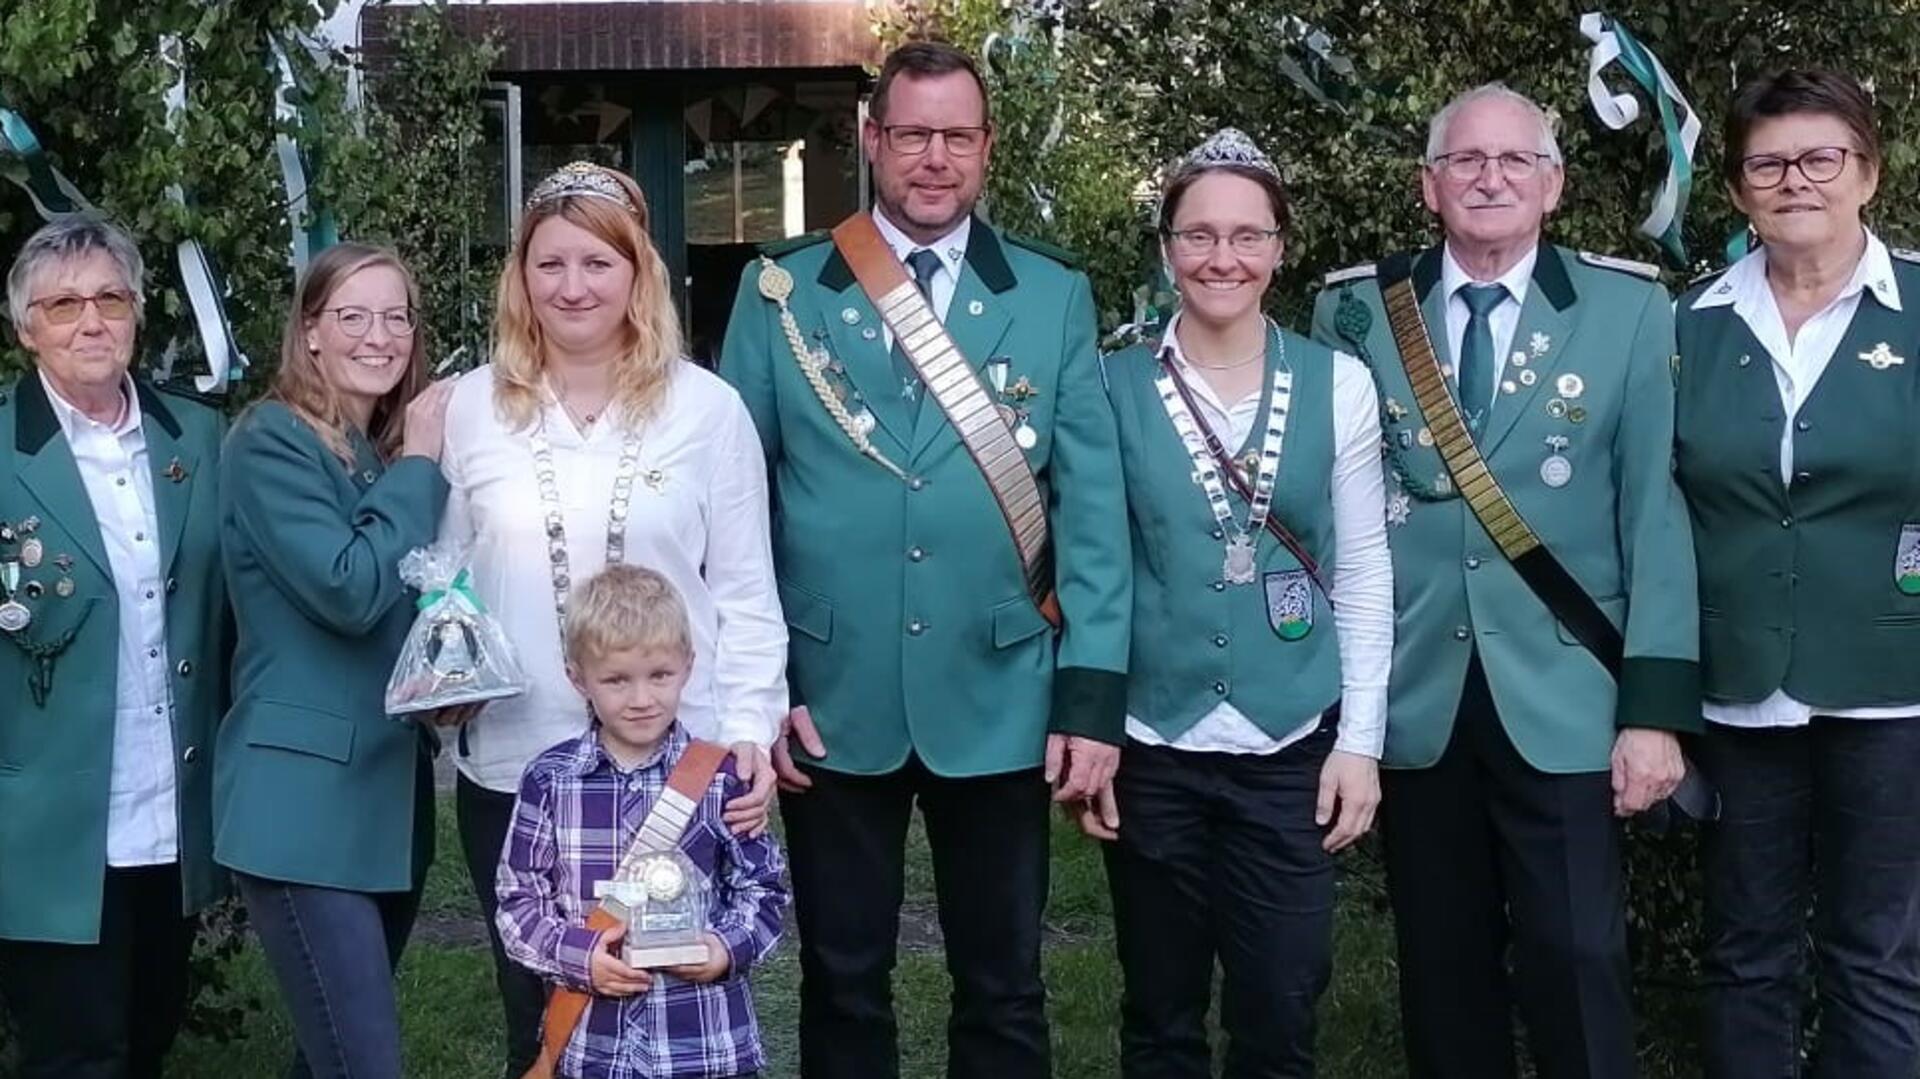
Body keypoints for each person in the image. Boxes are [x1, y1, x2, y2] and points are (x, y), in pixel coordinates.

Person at [719, 39, 1131, 1079]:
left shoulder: (1050, 294)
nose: (934, 158)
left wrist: (1087, 699)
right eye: (912, 134)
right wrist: (754, 688)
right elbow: (730, 507)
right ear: (873, 140)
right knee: (842, 974)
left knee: (1003, 981)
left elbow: (1091, 512)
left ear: (987, 147)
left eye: (957, 136)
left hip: (998, 687)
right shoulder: (783, 290)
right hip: (830, 685)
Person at [1310, 82, 1700, 1079]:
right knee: (1443, 968)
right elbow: (1327, 510)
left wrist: (1653, 709)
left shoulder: (1626, 309)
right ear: (1428, 187)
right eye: (1466, 162)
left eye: (1514, 160)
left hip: (1568, 691)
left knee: (1578, 955)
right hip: (1415, 692)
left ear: (1553, 185)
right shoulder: (1354, 310)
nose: (1490, 178)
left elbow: (1655, 516)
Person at [438, 160, 786, 1076]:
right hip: (521, 762)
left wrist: (749, 727)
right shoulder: (472, 406)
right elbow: (446, 590)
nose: (572, 286)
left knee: (677, 1003)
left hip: (679, 762)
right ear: (520, 278)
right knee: (548, 1013)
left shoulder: (708, 409)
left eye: (597, 262)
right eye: (548, 265)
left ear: (638, 273)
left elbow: (747, 589)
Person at [1095, 128, 1391, 1077]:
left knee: (1279, 1005)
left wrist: (1360, 740)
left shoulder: (1338, 382)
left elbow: (1364, 568)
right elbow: (1094, 567)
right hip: (1155, 736)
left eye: (1247, 235)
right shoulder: (1113, 383)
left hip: (1287, 739)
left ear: (1280, 246)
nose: (1223, 257)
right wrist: (1091, 721)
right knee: (1160, 1008)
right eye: (1199, 234)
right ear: (1167, 245)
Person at [1674, 69, 1920, 1079]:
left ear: (1867, 171)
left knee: (1879, 956)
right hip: (1737, 689)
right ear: (1736, 188)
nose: (1795, 181)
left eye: (1822, 158)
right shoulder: (1685, 326)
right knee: (1746, 953)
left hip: (1894, 687)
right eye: (1767, 163)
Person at [214, 242, 455, 1078]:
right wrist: (422, 459)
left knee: (332, 1060)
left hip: (383, 803)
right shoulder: (270, 441)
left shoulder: (364, 448)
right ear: (310, 332)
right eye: (351, 316)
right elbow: (349, 588)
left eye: (395, 316)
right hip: (301, 809)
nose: (378, 336)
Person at [0, 213, 227, 1079]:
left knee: (147, 1038)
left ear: (136, 312)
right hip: (45, 828)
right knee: (76, 1054)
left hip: (170, 812)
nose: (90, 321)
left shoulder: (196, 437)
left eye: (109, 298)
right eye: (63, 305)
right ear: (27, 329)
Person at [496, 564, 787, 1079]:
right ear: (577, 678)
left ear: (688, 667)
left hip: (706, 1048)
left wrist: (723, 949)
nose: (641, 699)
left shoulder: (722, 777)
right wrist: (578, 956)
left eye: (659, 675)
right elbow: (518, 902)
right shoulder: (549, 780)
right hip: (593, 1052)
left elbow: (764, 893)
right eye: (616, 680)